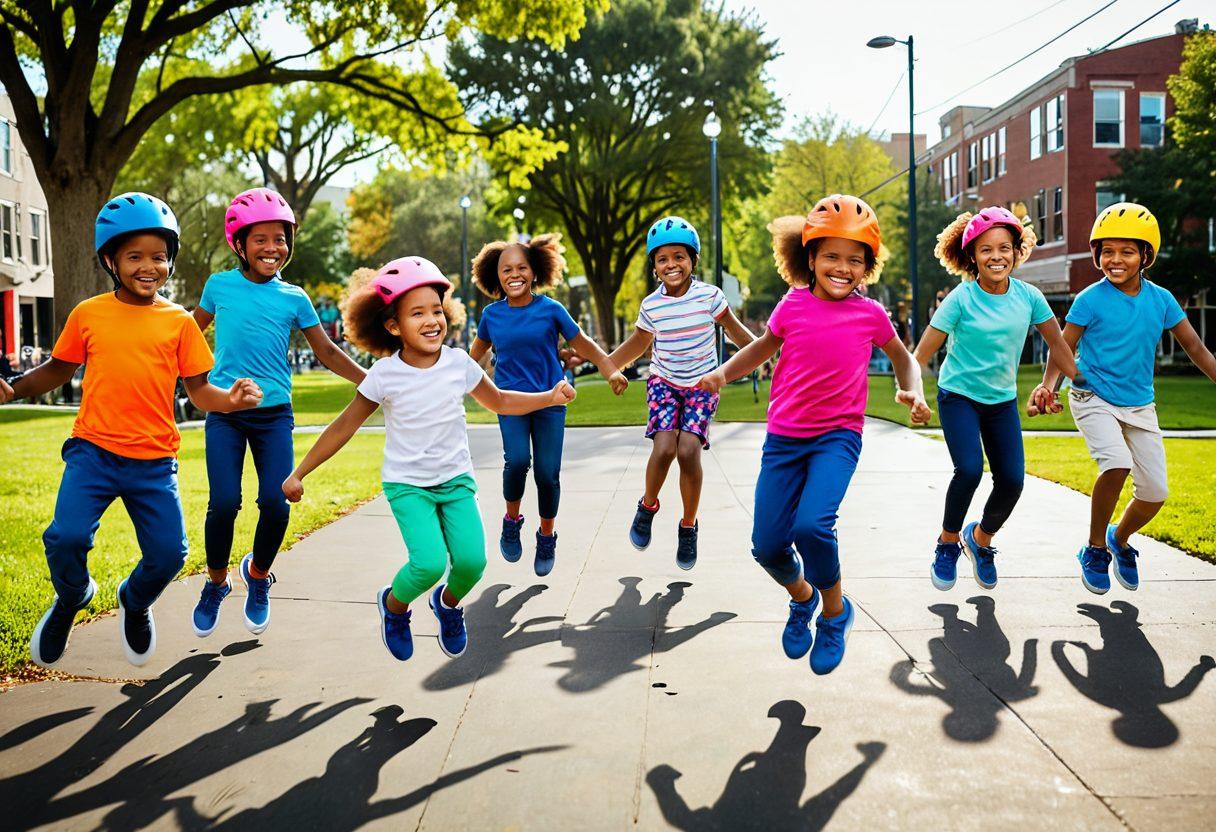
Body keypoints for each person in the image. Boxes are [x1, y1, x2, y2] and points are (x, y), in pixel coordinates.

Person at [0, 193, 262, 669]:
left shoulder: (180, 323)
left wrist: (231, 399)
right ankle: (73, 595)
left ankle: (135, 600)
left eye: (159, 257)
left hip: (154, 462)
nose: (149, 266)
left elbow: (200, 392)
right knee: (65, 538)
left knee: (168, 555)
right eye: (135, 256)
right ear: (110, 260)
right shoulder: (89, 314)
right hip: (93, 452)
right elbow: (58, 370)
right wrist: (14, 388)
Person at [281, 257, 575, 663]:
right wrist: (299, 472)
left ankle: (448, 605)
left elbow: (502, 401)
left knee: (472, 563)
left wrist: (548, 397)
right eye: (417, 313)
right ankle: (395, 607)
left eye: (437, 310)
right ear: (393, 325)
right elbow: (344, 426)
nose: (432, 320)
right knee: (429, 563)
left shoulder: (458, 363)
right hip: (408, 486)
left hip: (455, 481)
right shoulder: (384, 374)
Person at [698, 195, 930, 675]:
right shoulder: (793, 305)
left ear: (868, 265)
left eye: (854, 259)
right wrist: (722, 373)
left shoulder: (870, 314)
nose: (842, 268)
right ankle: (801, 598)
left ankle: (835, 613)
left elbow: (905, 357)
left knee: (812, 527)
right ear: (809, 258)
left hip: (837, 438)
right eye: (831, 256)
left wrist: (913, 390)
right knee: (767, 546)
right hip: (783, 440)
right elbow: (763, 347)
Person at [189, 187, 368, 639]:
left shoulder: (295, 297)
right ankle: (215, 583)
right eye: (262, 239)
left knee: (276, 501)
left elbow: (325, 350)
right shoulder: (218, 286)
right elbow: (186, 335)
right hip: (226, 411)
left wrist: (369, 380)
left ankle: (258, 575)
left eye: (281, 239)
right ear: (240, 244)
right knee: (224, 502)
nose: (273, 248)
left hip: (274, 415)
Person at [1036, 203, 1216, 594]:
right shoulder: (1089, 299)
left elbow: (1196, 349)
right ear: (1097, 254)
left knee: (1155, 494)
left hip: (1139, 404)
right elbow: (1063, 347)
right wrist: (1048, 386)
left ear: (1145, 256)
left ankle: (1120, 539)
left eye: (1127, 251)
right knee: (1116, 463)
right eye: (1107, 251)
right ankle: (1096, 547)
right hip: (1092, 395)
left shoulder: (1163, 300)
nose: (1115, 259)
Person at [913, 207, 1082, 592]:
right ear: (972, 255)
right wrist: (912, 391)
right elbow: (921, 354)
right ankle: (948, 541)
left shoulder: (1030, 297)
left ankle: (982, 539)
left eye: (1005, 248)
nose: (996, 257)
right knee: (970, 469)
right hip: (958, 396)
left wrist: (1079, 382)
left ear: (1016, 251)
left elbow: (1058, 345)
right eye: (986, 249)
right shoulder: (960, 299)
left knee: (1011, 480)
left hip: (1001, 401)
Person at [469, 233, 627, 576]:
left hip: (552, 401)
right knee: (517, 462)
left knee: (547, 474)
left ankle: (546, 535)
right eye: (506, 269)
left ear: (535, 272)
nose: (514, 274)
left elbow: (582, 343)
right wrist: (453, 383)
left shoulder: (551, 309)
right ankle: (512, 521)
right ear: (496, 276)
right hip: (510, 402)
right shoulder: (491, 316)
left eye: (521, 268)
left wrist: (610, 369)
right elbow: (473, 357)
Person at [609, 216, 756, 570]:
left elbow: (738, 335)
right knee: (664, 447)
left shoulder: (710, 297)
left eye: (679, 256)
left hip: (703, 383)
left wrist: (768, 355)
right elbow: (639, 344)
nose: (671, 264)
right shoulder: (651, 306)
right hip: (664, 381)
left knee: (688, 451)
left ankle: (688, 526)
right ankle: (647, 506)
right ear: (654, 267)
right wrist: (609, 365)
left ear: (693, 260)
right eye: (662, 259)